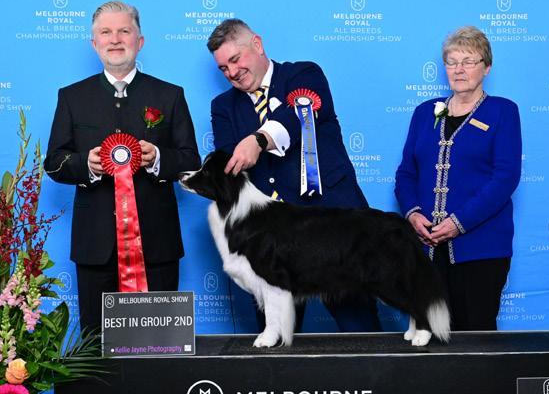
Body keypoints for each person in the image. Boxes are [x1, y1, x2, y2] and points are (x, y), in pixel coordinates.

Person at [206, 18, 380, 333]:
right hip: (271, 240)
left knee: (358, 324)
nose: (231, 72)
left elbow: (296, 115)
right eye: (223, 68)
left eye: (235, 59)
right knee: (273, 334)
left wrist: (258, 140)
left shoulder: (304, 75)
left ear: (257, 44)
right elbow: (228, 165)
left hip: (331, 226)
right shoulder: (223, 106)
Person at [45, 0, 200, 334]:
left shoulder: (170, 95)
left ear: (139, 41)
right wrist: (85, 165)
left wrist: (158, 158)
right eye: (106, 32)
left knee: (160, 344)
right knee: (95, 347)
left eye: (124, 31)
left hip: (157, 246)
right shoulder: (72, 97)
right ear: (94, 43)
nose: (115, 39)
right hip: (95, 247)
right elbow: (54, 163)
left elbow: (191, 160)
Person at [394, 26, 521, 331]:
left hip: (481, 249)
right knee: (427, 335)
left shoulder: (503, 112)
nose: (459, 69)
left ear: (486, 68)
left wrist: (457, 223)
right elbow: (406, 173)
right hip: (426, 248)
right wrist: (413, 214)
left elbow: (505, 178)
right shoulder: (424, 113)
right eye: (451, 62)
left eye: (468, 61)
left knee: (476, 336)